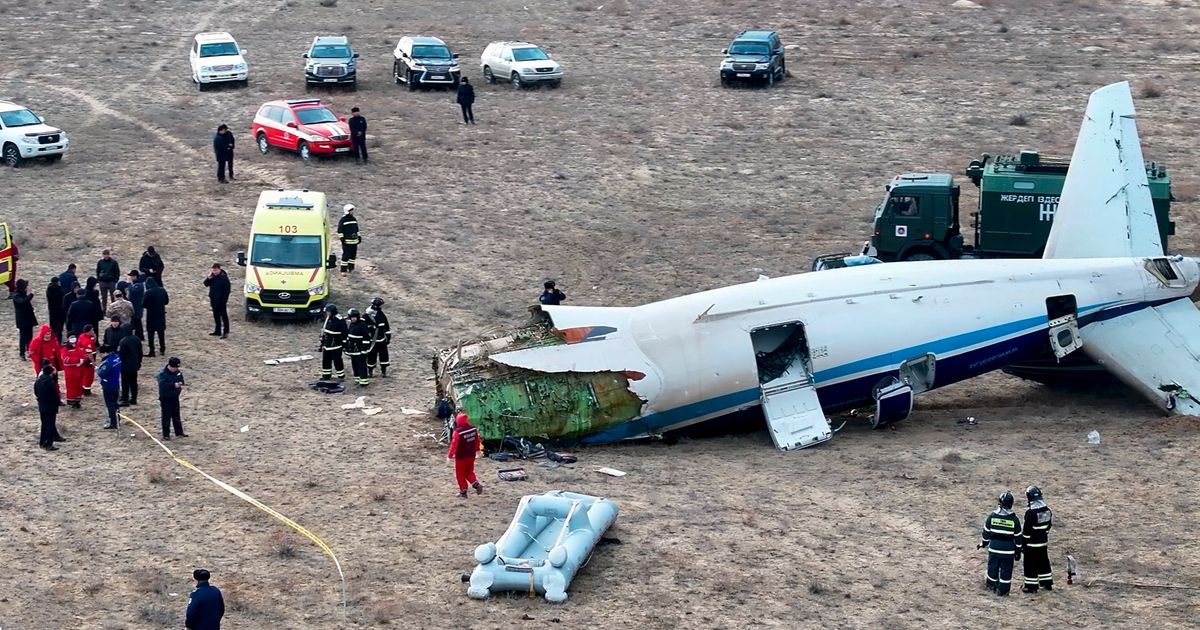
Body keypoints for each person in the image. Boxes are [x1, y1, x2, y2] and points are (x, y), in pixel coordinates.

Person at [979, 490, 1022, 596]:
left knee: (992, 567)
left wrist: (984, 543)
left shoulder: (992, 516)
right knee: (1006, 571)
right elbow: (1018, 538)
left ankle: (991, 586)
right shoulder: (1014, 520)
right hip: (1008, 551)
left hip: (994, 549)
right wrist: (1018, 551)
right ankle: (1003, 591)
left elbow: (986, 533)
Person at [1021, 485, 1054, 593]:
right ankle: (1047, 583)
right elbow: (1048, 526)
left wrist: (1023, 544)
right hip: (1043, 542)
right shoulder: (1047, 510)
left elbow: (1027, 532)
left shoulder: (1030, 513)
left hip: (1031, 544)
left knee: (1030, 564)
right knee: (1043, 562)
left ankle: (1031, 587)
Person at [447, 412, 484, 498]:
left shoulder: (458, 432)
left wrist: (449, 455)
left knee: (460, 474)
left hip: (461, 457)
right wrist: (478, 451)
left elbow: (454, 445)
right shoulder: (473, 429)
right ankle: (476, 484)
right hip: (471, 455)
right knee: (469, 472)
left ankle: (463, 492)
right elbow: (477, 441)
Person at [35, 361, 63, 451]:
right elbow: (55, 395)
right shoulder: (50, 383)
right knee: (50, 425)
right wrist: (57, 403)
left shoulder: (38, 380)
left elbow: (36, 392)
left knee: (44, 424)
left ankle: (42, 442)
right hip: (50, 407)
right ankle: (49, 444)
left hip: (42, 405)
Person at [157, 356, 187, 439]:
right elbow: (162, 385)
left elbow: (181, 378)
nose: (176, 369)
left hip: (175, 397)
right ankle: (166, 435)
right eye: (175, 367)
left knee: (176, 415)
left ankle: (179, 432)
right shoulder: (162, 374)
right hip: (166, 398)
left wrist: (181, 382)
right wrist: (174, 385)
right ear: (170, 366)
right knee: (166, 416)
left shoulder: (177, 372)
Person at [142, 277, 169, 357]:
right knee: (161, 334)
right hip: (161, 315)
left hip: (151, 316)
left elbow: (143, 304)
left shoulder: (148, 292)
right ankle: (162, 349)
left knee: (151, 334)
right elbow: (166, 301)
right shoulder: (162, 290)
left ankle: (152, 351)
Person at [319, 304, 347, 380]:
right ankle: (326, 375)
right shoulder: (328, 319)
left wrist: (344, 344)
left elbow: (344, 333)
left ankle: (341, 376)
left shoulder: (340, 320)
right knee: (326, 360)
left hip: (336, 344)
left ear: (333, 312)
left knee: (337, 361)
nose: (326, 314)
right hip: (327, 344)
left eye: (328, 312)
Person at [344, 308, 371, 387]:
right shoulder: (352, 324)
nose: (353, 319)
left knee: (361, 365)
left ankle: (364, 381)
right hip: (353, 349)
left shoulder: (362, 325)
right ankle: (357, 379)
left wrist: (364, 349)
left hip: (360, 349)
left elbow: (366, 338)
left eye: (355, 317)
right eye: (352, 317)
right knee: (354, 364)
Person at [203, 263, 231, 338]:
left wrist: (224, 301)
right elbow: (205, 284)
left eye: (215, 270)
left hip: (221, 301)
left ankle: (226, 332)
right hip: (213, 300)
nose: (214, 272)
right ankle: (217, 331)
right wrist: (208, 278)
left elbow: (227, 290)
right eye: (213, 270)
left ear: (219, 269)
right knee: (216, 316)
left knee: (224, 316)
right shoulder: (212, 276)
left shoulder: (224, 278)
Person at [365, 297, 390, 378]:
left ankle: (383, 371)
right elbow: (363, 328)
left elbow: (386, 326)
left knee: (384, 356)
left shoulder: (381, 314)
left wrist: (388, 337)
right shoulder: (366, 315)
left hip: (382, 340)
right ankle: (370, 371)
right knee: (371, 356)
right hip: (372, 340)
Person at [60, 335, 87, 408]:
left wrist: (82, 361)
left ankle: (77, 401)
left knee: (79, 386)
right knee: (71, 387)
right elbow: (65, 360)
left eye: (74, 337)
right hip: (70, 372)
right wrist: (78, 361)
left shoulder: (79, 346)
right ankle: (72, 401)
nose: (73, 339)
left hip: (79, 371)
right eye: (71, 337)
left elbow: (84, 355)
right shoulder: (65, 348)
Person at [97, 349, 122, 429]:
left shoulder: (108, 362)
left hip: (108, 385)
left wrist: (98, 369)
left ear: (105, 352)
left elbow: (102, 373)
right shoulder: (117, 358)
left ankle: (113, 423)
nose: (100, 356)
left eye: (101, 354)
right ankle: (118, 420)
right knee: (115, 403)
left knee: (110, 405)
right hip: (116, 384)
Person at [118, 331, 143, 406]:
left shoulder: (123, 341)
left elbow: (121, 354)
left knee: (125, 382)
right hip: (134, 364)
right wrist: (139, 363)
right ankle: (134, 399)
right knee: (133, 382)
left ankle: (125, 399)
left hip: (125, 365)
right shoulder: (137, 339)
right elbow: (140, 353)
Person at [13, 279, 36, 360]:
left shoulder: (22, 294)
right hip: (22, 320)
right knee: (23, 337)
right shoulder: (16, 295)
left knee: (30, 336)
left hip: (28, 318)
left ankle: (29, 351)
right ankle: (22, 353)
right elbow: (23, 302)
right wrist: (31, 295)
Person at [336, 204, 360, 275]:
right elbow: (340, 231)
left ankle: (351, 268)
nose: (352, 212)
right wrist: (342, 239)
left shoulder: (353, 219)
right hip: (347, 242)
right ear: (347, 211)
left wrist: (359, 236)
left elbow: (356, 229)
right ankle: (343, 270)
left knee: (353, 256)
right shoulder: (343, 220)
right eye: (351, 210)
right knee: (346, 256)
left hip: (354, 242)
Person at [79, 324, 98, 396]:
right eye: (92, 330)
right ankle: (86, 391)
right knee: (89, 375)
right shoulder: (87, 341)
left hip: (83, 358)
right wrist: (93, 362)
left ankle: (83, 388)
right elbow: (89, 353)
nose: (93, 331)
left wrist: (94, 336)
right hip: (88, 360)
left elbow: (93, 341)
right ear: (89, 331)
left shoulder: (82, 336)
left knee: (84, 374)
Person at [126, 270, 146, 339]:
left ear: (135, 276)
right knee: (134, 321)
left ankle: (140, 335)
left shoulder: (139, 285)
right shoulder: (135, 284)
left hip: (137, 307)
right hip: (134, 306)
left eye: (131, 276)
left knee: (137, 322)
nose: (130, 277)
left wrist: (129, 284)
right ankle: (137, 335)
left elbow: (133, 291)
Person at [46, 277, 66, 341]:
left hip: (52, 311)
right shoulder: (60, 291)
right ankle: (58, 342)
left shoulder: (49, 290)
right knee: (59, 329)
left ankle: (52, 342)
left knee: (53, 328)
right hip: (60, 311)